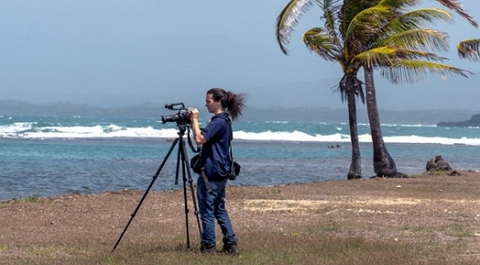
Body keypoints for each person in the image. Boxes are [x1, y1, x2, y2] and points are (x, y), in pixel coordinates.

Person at [189, 87, 245, 254]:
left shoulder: (218, 122)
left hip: (211, 172)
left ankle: (209, 246)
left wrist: (194, 120)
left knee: (207, 210)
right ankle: (231, 244)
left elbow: (199, 139)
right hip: (221, 170)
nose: (206, 104)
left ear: (218, 102)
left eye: (208, 101)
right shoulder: (226, 121)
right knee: (219, 208)